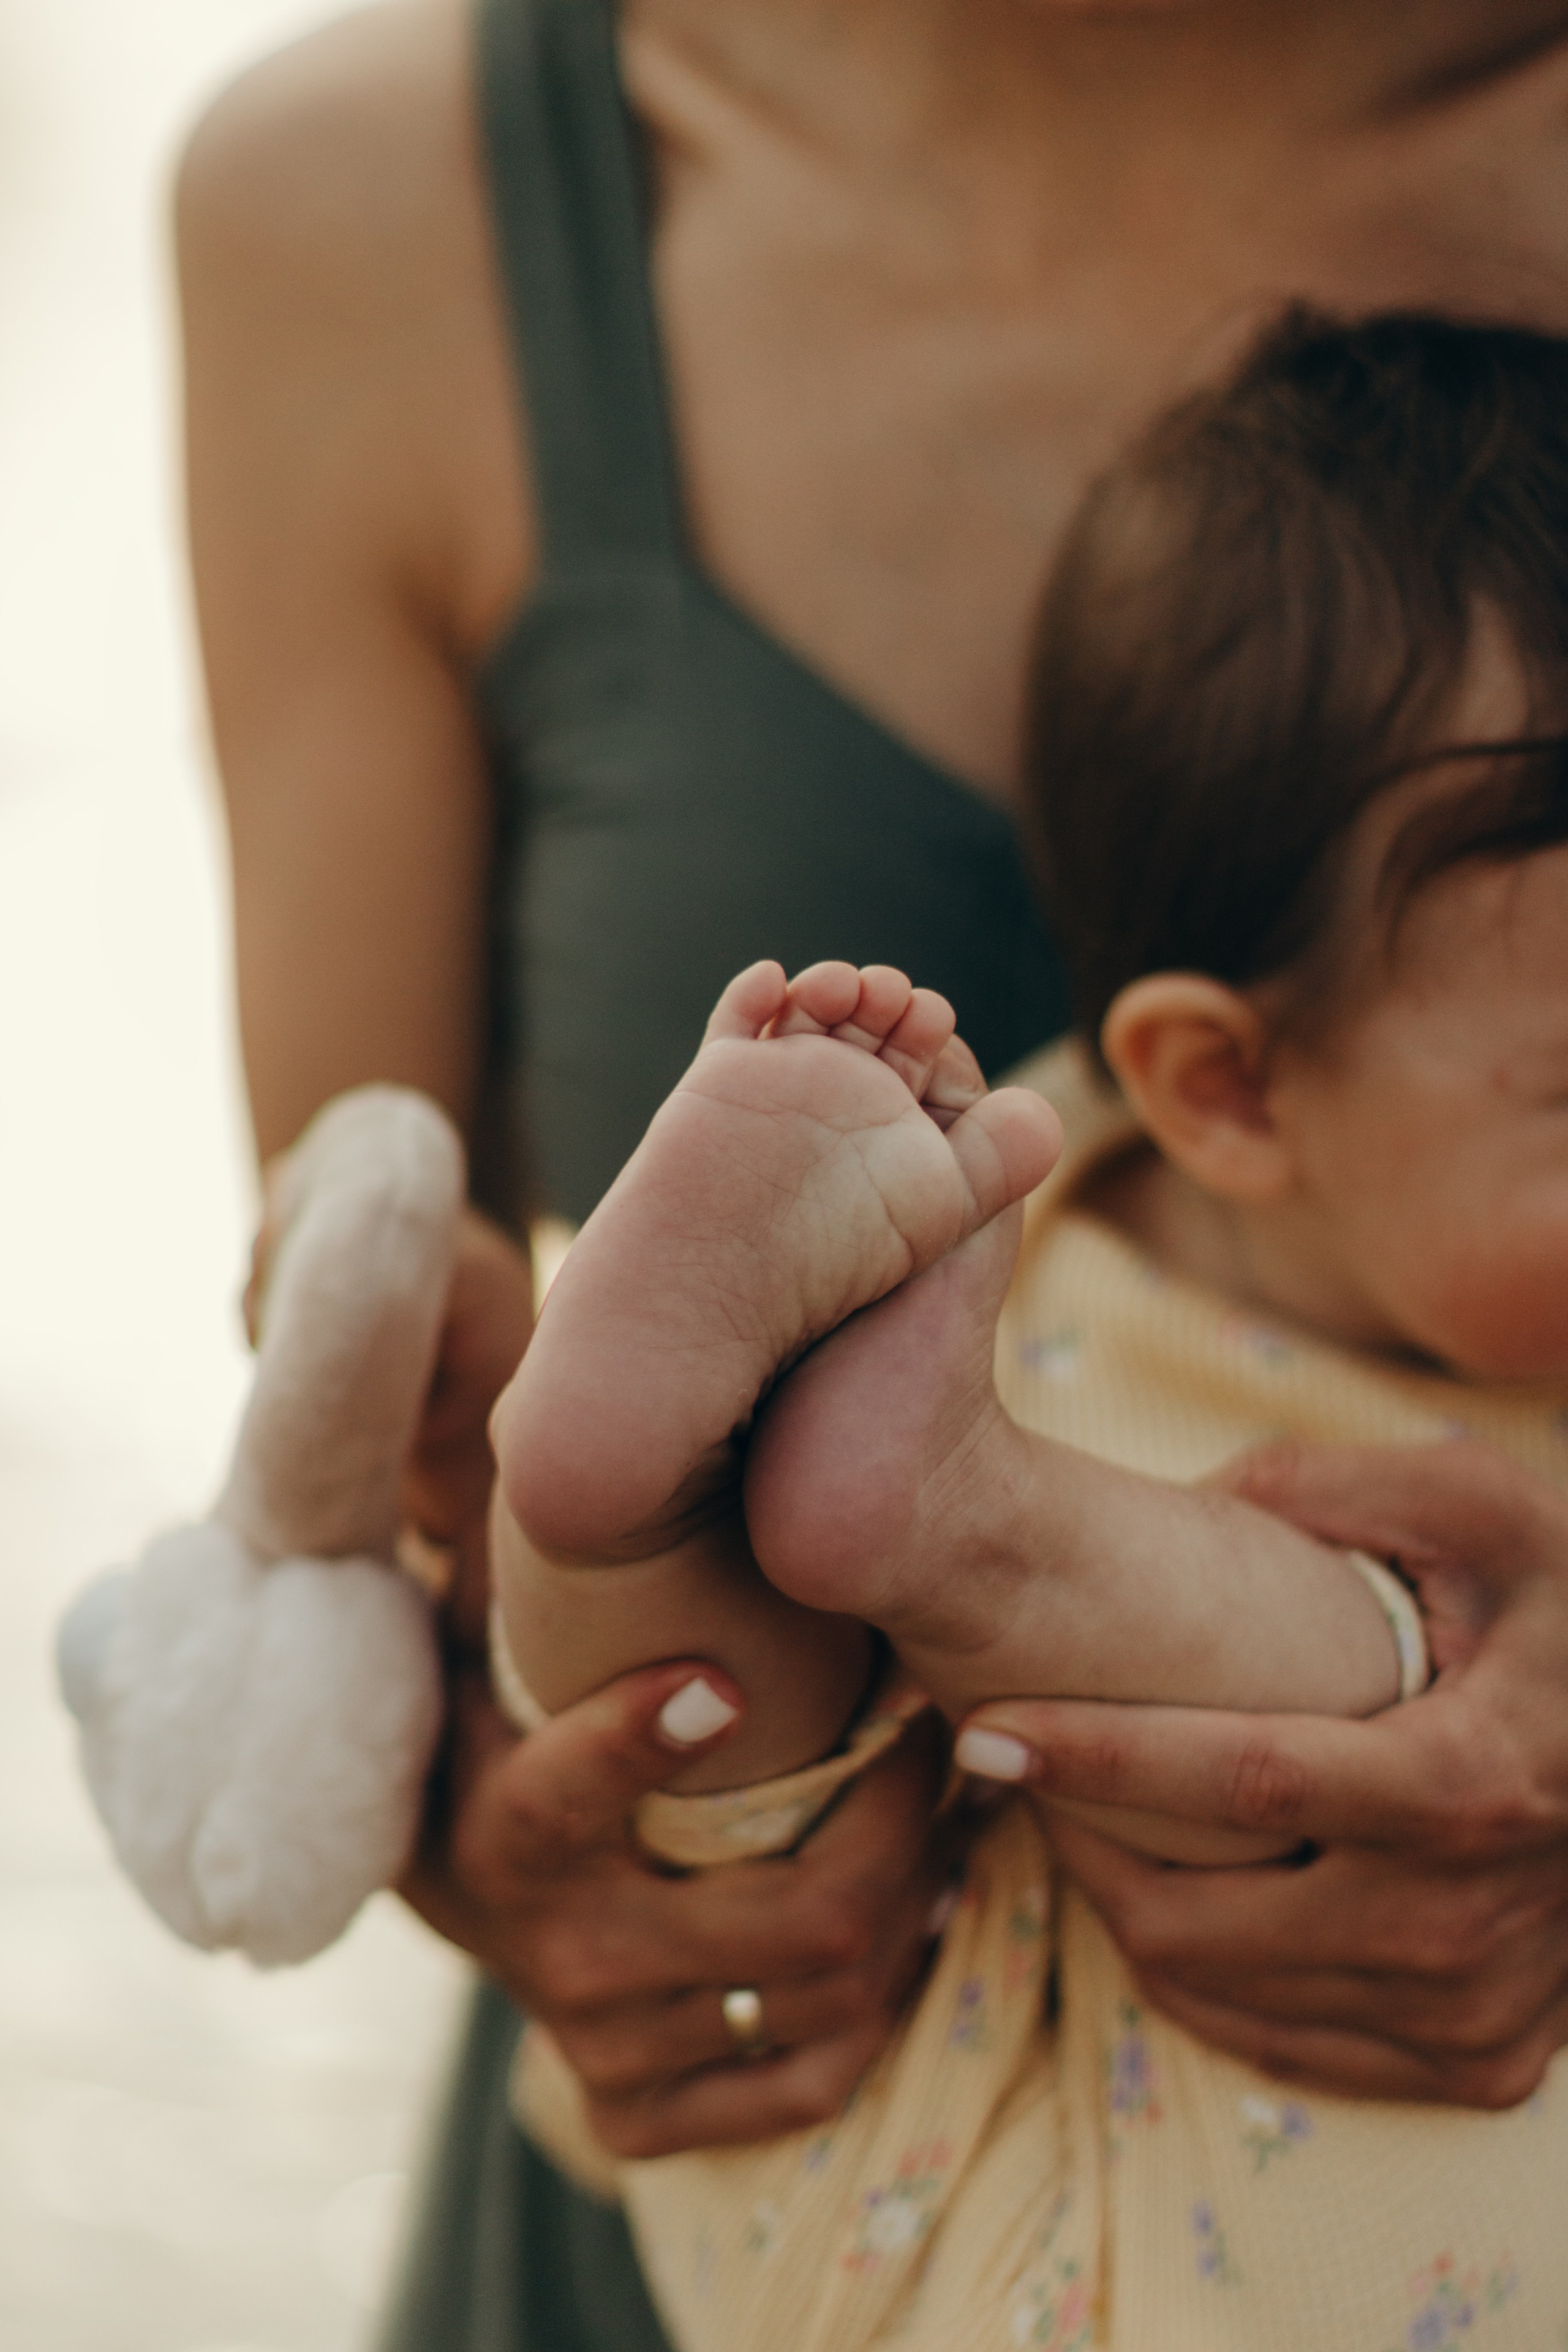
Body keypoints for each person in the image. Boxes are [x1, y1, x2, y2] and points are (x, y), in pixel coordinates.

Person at [175, 2, 1568, 2343]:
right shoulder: (369, 206)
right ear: (1212, 1086)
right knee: (1336, 1636)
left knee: (755, 1639)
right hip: (776, 2038)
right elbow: (354, 1406)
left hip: (872, 2159)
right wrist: (480, 1816)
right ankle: (791, 1523)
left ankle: (684, 1527)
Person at [472, 312, 1568, 2349]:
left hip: (864, 2205)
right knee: (1395, 1647)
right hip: (1141, 2185)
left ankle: (632, 1524)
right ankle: (933, 1530)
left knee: (722, 1735)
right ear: (1229, 1090)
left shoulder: (996, 1235)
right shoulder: (963, 1251)